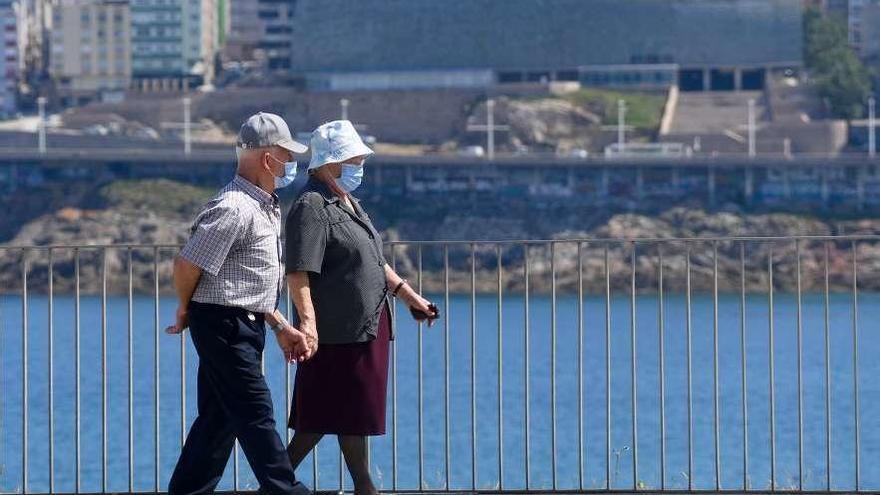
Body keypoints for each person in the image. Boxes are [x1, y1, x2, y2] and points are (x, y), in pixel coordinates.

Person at [284, 120, 438, 495]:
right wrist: (308, 324)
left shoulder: (347, 201)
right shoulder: (311, 206)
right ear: (332, 162)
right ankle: (282, 481)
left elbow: (372, 259)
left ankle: (359, 486)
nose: (360, 167)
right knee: (321, 415)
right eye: (355, 159)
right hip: (334, 331)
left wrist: (408, 296)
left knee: (349, 413)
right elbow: (298, 272)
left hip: (364, 326)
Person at [165, 112, 313, 495]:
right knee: (255, 411)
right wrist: (185, 308)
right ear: (268, 160)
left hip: (240, 321)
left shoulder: (261, 204)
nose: (292, 163)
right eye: (287, 155)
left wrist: (279, 325)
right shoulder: (235, 207)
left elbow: (246, 281)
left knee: (218, 418)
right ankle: (286, 490)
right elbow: (187, 264)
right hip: (225, 324)